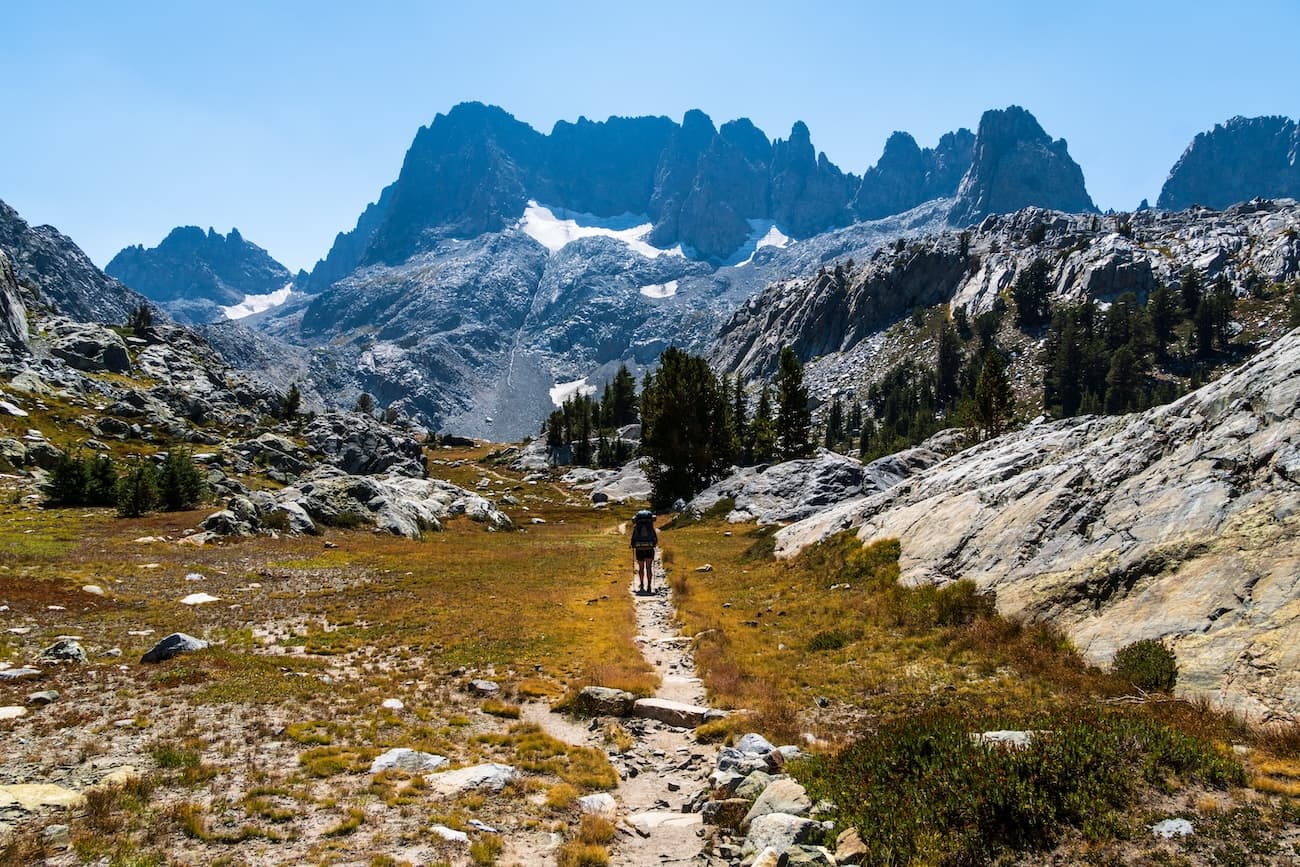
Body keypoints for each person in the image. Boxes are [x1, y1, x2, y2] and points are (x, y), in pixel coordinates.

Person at [630, 509, 658, 594]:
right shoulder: (650, 527)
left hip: (639, 549)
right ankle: (649, 585)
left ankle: (642, 584)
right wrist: (653, 544)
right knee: (649, 568)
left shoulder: (636, 527)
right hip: (649, 549)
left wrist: (633, 545)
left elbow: (633, 539)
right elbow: (655, 539)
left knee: (641, 568)